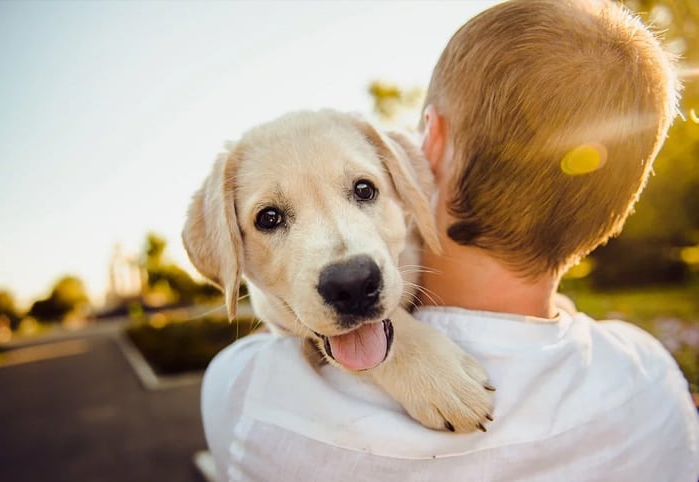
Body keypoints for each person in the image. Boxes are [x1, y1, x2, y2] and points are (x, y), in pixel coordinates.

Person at [200, 0, 699, 480]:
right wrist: (400, 348)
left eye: (363, 190)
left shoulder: (246, 394)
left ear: (428, 146)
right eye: (271, 218)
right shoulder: (652, 380)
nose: (347, 267)